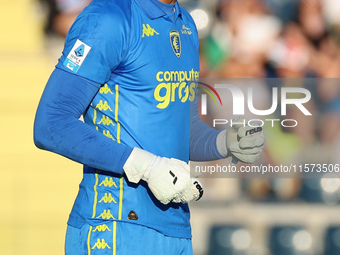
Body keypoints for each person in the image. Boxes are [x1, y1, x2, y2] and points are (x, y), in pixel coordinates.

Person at [33, 0, 265, 254]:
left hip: (175, 229)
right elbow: (51, 123)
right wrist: (147, 167)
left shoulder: (186, 23)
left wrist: (225, 142)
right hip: (114, 227)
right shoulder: (109, 17)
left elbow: (182, 129)